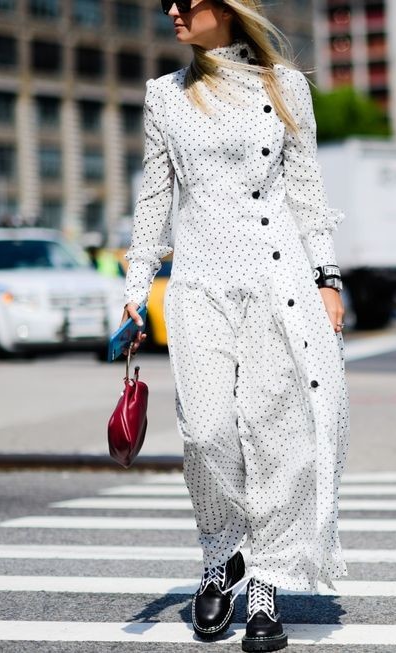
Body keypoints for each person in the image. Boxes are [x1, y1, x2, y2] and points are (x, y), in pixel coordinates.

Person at [120, 0, 349, 649]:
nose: (171, 10)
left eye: (185, 0)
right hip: (196, 289)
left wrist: (328, 278)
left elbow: (305, 188)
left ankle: (265, 587)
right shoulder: (164, 96)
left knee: (277, 436)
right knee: (208, 431)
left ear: (225, 8)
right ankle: (222, 553)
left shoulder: (286, 87)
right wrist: (137, 291)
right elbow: (155, 198)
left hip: (278, 284)